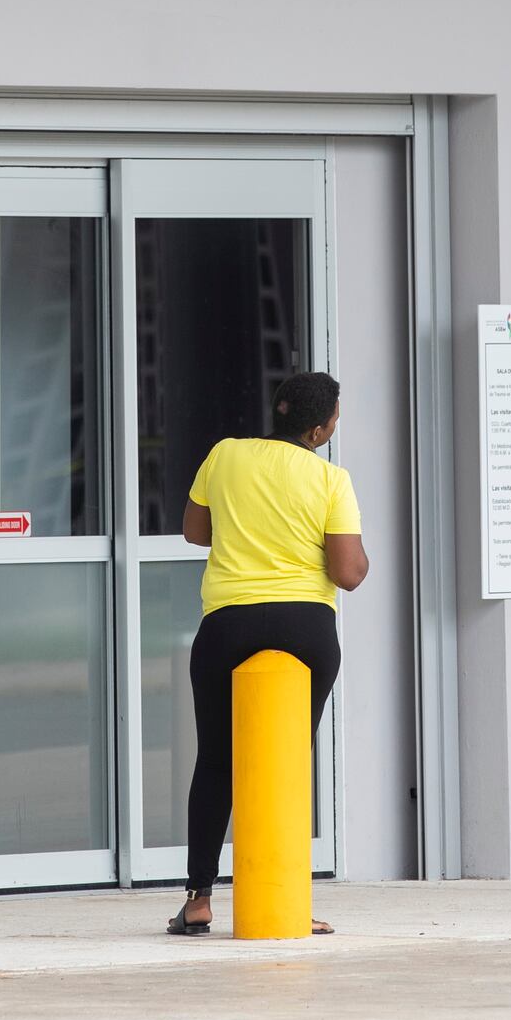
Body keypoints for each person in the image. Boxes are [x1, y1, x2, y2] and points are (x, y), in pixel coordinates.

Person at [166, 372, 368, 937]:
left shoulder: (225, 455)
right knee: (284, 761)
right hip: (305, 626)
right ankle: (285, 900)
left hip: (227, 623)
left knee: (216, 761)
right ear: (320, 427)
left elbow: (194, 531)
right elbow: (347, 574)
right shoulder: (331, 478)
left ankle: (199, 899)